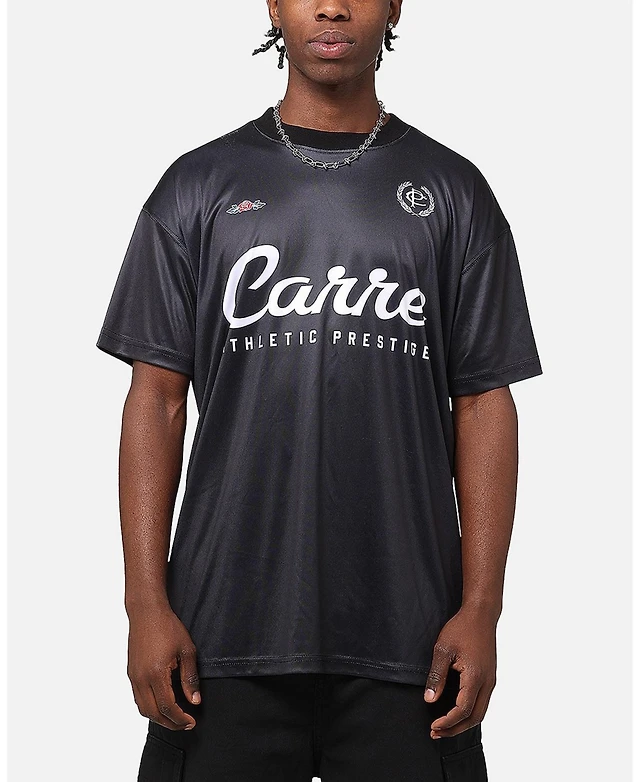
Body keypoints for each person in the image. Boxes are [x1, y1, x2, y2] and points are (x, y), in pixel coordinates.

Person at [96, 1, 543, 779]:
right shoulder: (196, 186)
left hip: (413, 644)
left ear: (394, 4)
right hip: (218, 637)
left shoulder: (454, 191)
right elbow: (156, 400)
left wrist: (481, 609)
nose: (332, 5)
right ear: (274, 4)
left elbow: (483, 403)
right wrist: (145, 605)